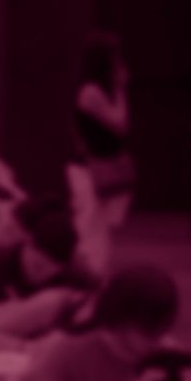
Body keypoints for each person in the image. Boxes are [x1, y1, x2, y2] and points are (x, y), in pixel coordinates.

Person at [11, 264, 181, 381]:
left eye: (162, 330)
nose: (157, 340)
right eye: (147, 332)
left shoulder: (170, 357)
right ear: (121, 320)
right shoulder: (69, 351)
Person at [0, 199, 103, 349]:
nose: (37, 274)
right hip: (2, 332)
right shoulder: (0, 255)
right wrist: (9, 311)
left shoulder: (78, 276)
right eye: (36, 265)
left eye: (47, 271)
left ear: (62, 268)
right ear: (27, 244)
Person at [71, 32, 135, 234]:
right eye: (114, 56)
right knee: (92, 226)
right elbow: (120, 124)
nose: (118, 62)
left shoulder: (99, 90)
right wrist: (120, 88)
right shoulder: (90, 91)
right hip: (91, 167)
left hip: (101, 162)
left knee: (103, 226)